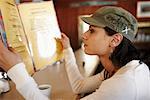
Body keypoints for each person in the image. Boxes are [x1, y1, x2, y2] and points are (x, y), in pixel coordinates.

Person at [0, 6, 150, 100]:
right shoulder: (120, 69)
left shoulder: (123, 84)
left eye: (92, 31)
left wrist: (16, 70)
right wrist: (67, 49)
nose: (84, 35)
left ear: (115, 40)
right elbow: (79, 86)